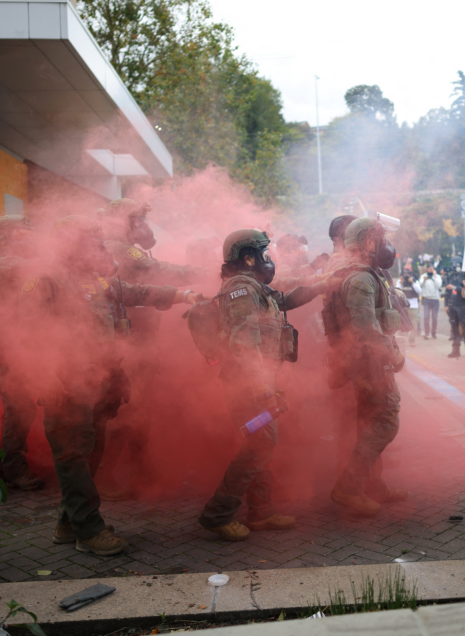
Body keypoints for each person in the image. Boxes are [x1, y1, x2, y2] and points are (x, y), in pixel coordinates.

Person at [19, 216, 199, 556]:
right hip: (66, 386)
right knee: (74, 454)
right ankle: (88, 530)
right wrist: (50, 378)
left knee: (89, 452)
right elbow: (27, 334)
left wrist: (186, 294)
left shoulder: (99, 280)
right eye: (94, 243)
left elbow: (139, 292)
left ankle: (69, 523)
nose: (102, 249)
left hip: (99, 383)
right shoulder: (46, 280)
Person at [198, 229, 330, 540]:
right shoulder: (241, 290)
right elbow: (244, 342)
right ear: (248, 258)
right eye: (263, 254)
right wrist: (260, 386)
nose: (268, 260)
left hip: (258, 382)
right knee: (260, 444)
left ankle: (261, 511)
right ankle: (218, 513)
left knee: (261, 444)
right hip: (247, 386)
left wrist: (322, 285)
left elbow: (285, 301)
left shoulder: (255, 288)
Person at [95, 198, 200, 499]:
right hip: (131, 341)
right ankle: (105, 474)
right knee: (128, 408)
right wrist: (206, 271)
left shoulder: (122, 247)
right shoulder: (120, 248)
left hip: (139, 338)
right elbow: (160, 270)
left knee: (142, 407)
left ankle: (139, 467)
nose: (145, 226)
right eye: (139, 220)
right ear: (126, 222)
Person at [328, 218, 409, 514]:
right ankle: (349, 488)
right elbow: (365, 328)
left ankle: (373, 485)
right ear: (365, 242)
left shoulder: (363, 273)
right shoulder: (361, 278)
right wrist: (392, 354)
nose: (385, 245)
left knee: (369, 423)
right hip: (371, 364)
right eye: (379, 239)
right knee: (385, 422)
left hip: (365, 362)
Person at [0, 215, 45, 491]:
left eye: (29, 234)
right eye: (21, 235)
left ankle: (3, 465)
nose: (29, 240)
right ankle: (14, 468)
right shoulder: (0, 265)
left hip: (21, 345)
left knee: (19, 408)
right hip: (8, 348)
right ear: (4, 237)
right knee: (19, 408)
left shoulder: (18, 263)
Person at [444, 272, 465, 358]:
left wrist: (455, 287)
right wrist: (446, 305)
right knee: (454, 329)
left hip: (463, 306)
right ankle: (455, 350)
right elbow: (447, 292)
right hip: (452, 306)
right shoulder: (451, 275)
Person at [399, 267, 421, 347]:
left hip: (413, 306)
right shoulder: (400, 281)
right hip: (403, 306)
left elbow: (419, 291)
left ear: (411, 275)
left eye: (408, 274)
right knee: (401, 323)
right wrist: (401, 283)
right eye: (405, 274)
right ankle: (400, 340)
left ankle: (412, 340)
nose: (406, 275)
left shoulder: (415, 281)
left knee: (414, 324)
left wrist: (412, 283)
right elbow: (396, 291)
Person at [419, 264, 442, 339]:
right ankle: (427, 333)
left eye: (432, 268)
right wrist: (424, 280)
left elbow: (439, 285)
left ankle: (433, 333)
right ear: (427, 269)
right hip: (426, 299)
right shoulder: (423, 276)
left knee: (434, 318)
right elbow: (420, 285)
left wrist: (434, 276)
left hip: (435, 299)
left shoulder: (437, 276)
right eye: (430, 268)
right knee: (426, 316)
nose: (431, 270)